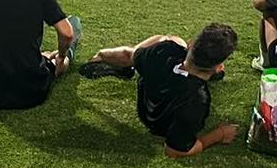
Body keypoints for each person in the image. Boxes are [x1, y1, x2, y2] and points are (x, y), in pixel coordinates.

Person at [80, 25, 240, 158]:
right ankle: (206, 71)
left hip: (146, 109)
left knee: (169, 39)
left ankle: (125, 66)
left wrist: (101, 55)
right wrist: (219, 134)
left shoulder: (163, 52)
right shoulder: (198, 100)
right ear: (219, 67)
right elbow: (174, 150)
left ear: (191, 44)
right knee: (172, 42)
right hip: (163, 127)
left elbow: (127, 54)